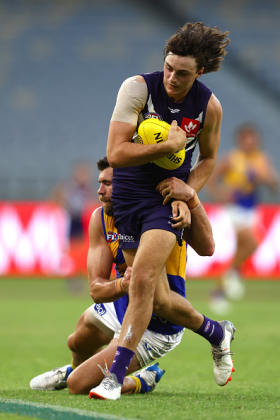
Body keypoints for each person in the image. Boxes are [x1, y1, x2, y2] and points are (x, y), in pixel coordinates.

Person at [89, 23, 236, 401]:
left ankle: (114, 378)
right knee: (157, 296)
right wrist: (165, 146)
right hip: (126, 197)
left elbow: (209, 159)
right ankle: (217, 332)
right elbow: (117, 152)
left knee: (140, 280)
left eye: (183, 73)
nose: (172, 77)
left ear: (199, 72)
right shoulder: (136, 88)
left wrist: (188, 190)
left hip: (162, 201)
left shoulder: (208, 107)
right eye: (168, 67)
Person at [30, 157, 221, 396]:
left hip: (157, 324)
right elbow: (97, 290)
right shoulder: (100, 219)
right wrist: (123, 283)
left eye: (109, 184)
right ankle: (77, 370)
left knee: (77, 386)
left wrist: (191, 198)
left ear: (130, 184)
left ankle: (142, 380)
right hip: (122, 301)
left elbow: (208, 248)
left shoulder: (164, 214)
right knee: (76, 342)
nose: (100, 191)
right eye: (100, 183)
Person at [206, 123, 279, 310]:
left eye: (253, 138)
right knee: (252, 242)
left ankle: (220, 290)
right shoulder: (231, 159)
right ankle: (232, 276)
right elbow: (211, 180)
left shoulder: (261, 159)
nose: (250, 142)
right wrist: (222, 195)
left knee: (241, 251)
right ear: (241, 140)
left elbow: (273, 183)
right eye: (247, 138)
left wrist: (265, 178)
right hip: (235, 208)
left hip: (252, 208)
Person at [49, 160, 96, 290]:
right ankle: (71, 277)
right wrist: (64, 208)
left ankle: (76, 276)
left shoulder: (86, 188)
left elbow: (91, 200)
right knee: (70, 249)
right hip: (70, 219)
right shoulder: (69, 187)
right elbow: (57, 197)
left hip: (79, 220)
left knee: (79, 250)